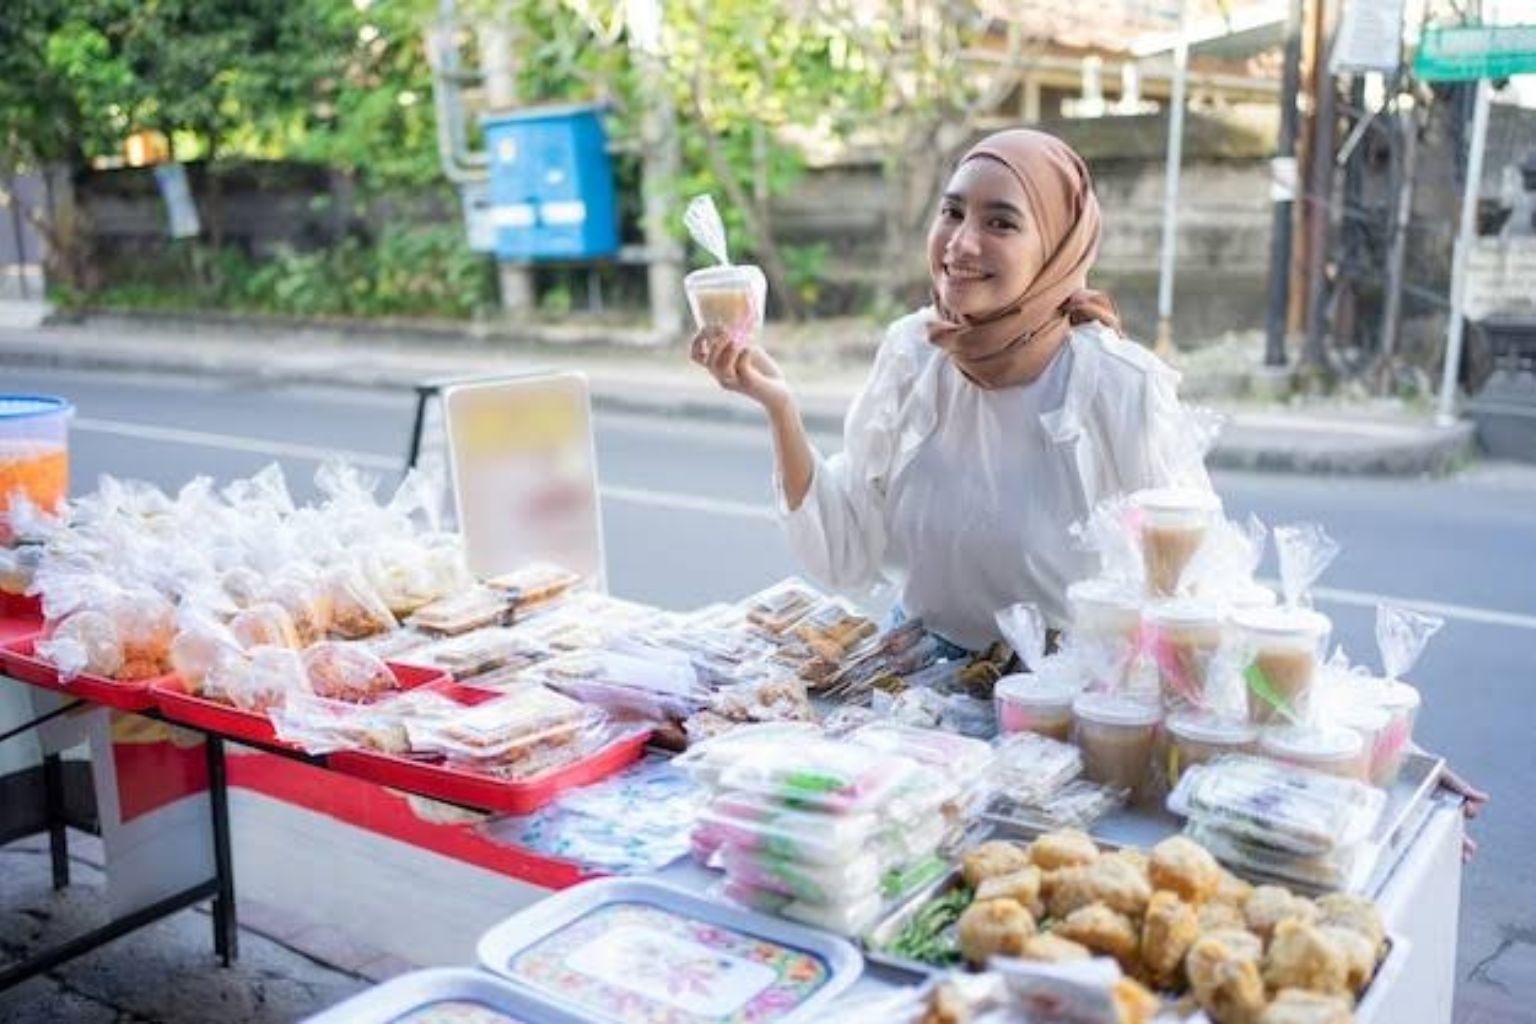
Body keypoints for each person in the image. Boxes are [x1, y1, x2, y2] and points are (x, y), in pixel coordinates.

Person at [691, 128, 1210, 653]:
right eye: (952, 213)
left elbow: (1186, 594)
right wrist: (780, 407)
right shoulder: (913, 353)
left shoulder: (1119, 387)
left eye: (1001, 223)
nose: (961, 244)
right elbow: (844, 551)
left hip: (1059, 702)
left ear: (1055, 247)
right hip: (915, 690)